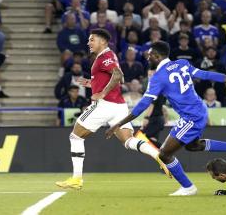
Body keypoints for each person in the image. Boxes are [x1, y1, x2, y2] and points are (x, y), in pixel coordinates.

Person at [106, 41, 226, 196]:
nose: (148, 57)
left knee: (164, 154)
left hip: (191, 117)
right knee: (193, 146)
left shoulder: (158, 77)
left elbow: (143, 105)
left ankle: (188, 187)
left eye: (150, 54)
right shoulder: (182, 63)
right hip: (200, 110)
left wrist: (118, 124)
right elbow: (206, 74)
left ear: (157, 56)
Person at [55, 29, 169, 191]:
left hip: (105, 104)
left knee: (75, 137)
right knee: (128, 141)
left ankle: (76, 178)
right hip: (119, 106)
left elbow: (118, 75)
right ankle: (158, 154)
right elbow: (118, 78)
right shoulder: (109, 57)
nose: (89, 43)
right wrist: (91, 84)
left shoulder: (105, 57)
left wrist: (102, 92)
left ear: (102, 41)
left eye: (92, 40)